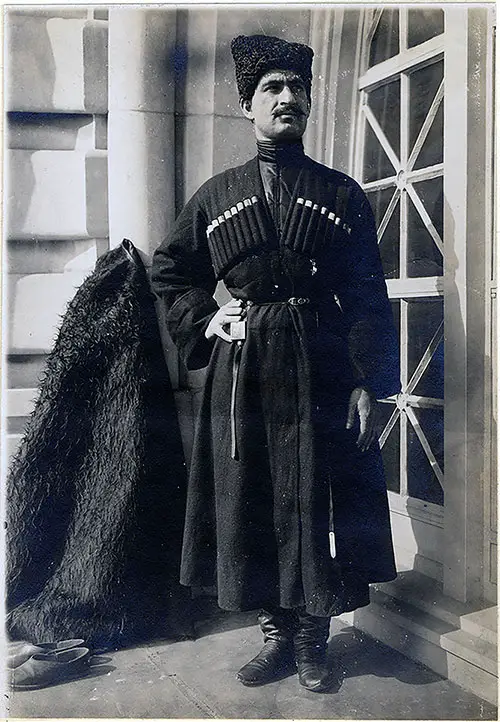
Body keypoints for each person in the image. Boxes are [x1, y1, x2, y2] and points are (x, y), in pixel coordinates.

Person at [152, 34, 400, 693]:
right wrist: (209, 319)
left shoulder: (341, 194)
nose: (288, 97)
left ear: (311, 100)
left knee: (316, 497)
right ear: (247, 105)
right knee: (252, 500)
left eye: (298, 87)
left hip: (322, 363)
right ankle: (277, 636)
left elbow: (368, 296)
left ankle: (315, 637)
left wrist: (369, 381)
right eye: (272, 88)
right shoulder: (217, 194)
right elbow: (170, 273)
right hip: (244, 372)